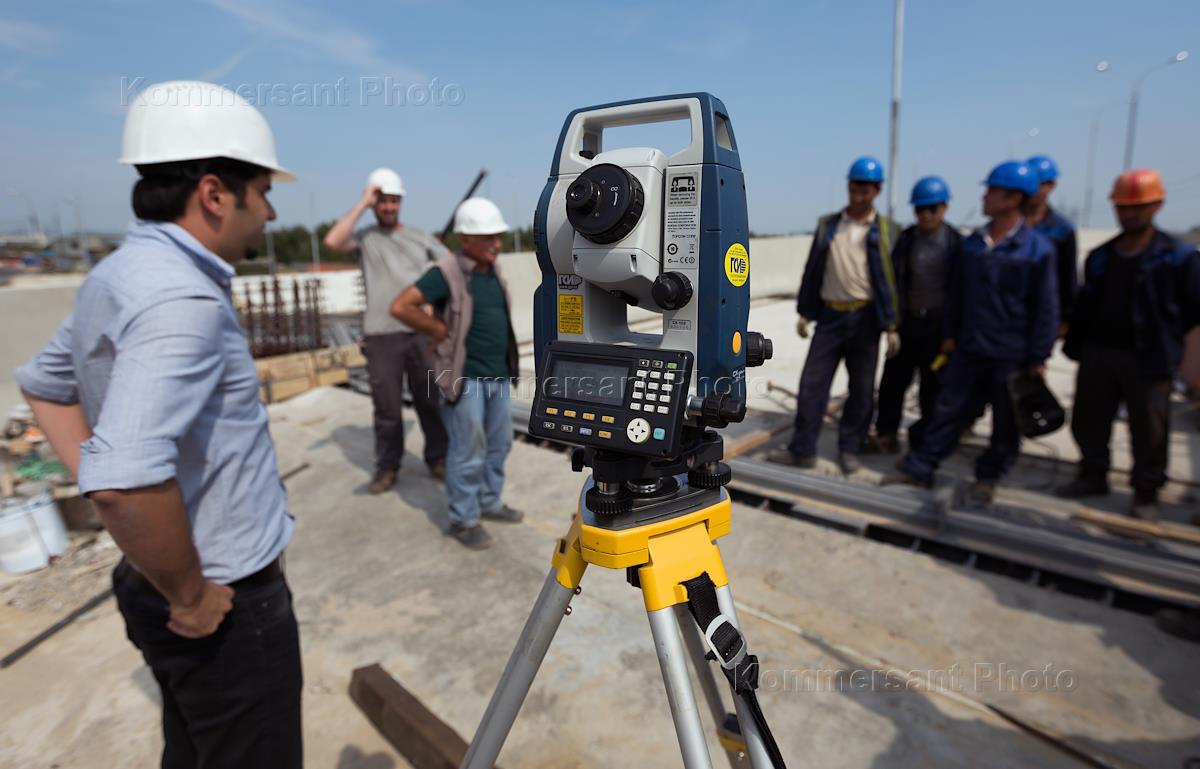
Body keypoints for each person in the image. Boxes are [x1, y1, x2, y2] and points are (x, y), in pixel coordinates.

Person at [15, 80, 301, 768]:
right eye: (263, 191)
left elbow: (46, 386)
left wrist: (130, 523)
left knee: (194, 747)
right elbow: (123, 481)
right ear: (214, 194)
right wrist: (192, 593)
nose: (270, 211)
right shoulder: (180, 298)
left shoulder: (120, 274)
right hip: (222, 604)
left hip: (151, 578)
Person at [883, 161, 1058, 502]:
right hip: (969, 347)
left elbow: (1046, 309)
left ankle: (988, 476)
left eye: (991, 191)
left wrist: (1038, 357)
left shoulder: (1037, 251)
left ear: (1012, 198)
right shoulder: (974, 245)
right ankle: (921, 468)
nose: (984, 196)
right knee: (947, 409)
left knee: (1005, 422)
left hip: (1010, 353)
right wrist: (950, 336)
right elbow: (957, 296)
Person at [1057, 169, 1200, 520]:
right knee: (1089, 420)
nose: (1129, 214)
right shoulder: (1101, 257)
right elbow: (1085, 306)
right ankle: (1092, 474)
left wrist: (1182, 359)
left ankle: (1146, 492)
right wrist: (1076, 344)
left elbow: (1193, 313)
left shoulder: (1178, 258)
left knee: (1149, 429)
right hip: (1100, 352)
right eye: (1123, 207)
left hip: (1149, 358)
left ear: (1156, 206)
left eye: (1138, 207)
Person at [389, 198, 521, 549]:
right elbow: (401, 306)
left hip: (498, 375)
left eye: (498, 236)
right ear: (465, 239)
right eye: (487, 237)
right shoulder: (445, 273)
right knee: (467, 450)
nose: (496, 243)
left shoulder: (492, 270)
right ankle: (464, 519)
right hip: (466, 379)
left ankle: (489, 501)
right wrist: (436, 328)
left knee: (499, 444)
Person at [767, 156, 900, 474]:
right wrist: (805, 312)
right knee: (812, 385)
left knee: (862, 391)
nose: (859, 194)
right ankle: (802, 450)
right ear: (848, 186)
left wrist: (891, 324)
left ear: (877, 191)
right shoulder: (829, 225)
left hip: (866, 319)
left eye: (866, 189)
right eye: (855, 186)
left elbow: (893, 280)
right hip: (830, 317)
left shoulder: (887, 231)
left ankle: (849, 450)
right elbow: (813, 268)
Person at [324, 167, 449, 492]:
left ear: (400, 202)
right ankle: (387, 466)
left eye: (393, 201)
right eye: (382, 201)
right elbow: (333, 241)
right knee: (387, 408)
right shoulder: (365, 238)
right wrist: (362, 202)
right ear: (375, 204)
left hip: (419, 332)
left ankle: (438, 458)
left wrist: (433, 301)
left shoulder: (419, 236)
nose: (389, 207)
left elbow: (451, 268)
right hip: (381, 334)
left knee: (429, 400)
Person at [871, 175, 962, 453]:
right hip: (908, 323)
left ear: (944, 208)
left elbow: (961, 292)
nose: (925, 215)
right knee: (893, 383)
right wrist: (892, 324)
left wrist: (952, 334)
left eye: (931, 209)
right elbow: (893, 281)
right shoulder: (907, 239)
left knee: (932, 387)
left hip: (937, 328)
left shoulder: (956, 243)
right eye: (920, 209)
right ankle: (886, 434)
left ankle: (924, 443)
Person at [1025, 155, 1078, 333]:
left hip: (1043, 313)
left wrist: (1066, 318)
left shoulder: (1061, 230)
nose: (1033, 189)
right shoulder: (1006, 225)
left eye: (1040, 184)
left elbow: (1067, 276)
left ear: (1052, 185)